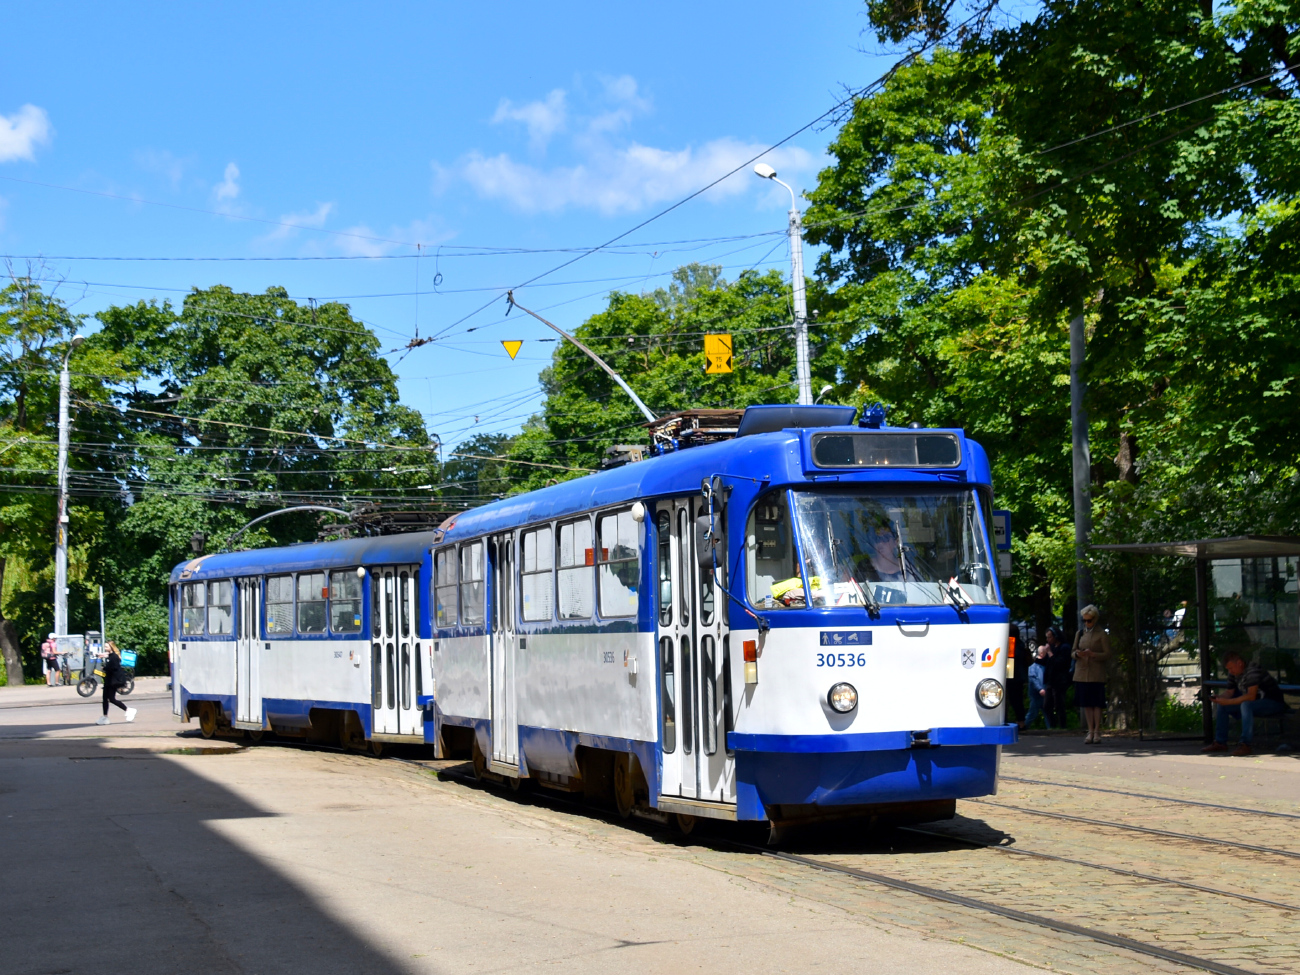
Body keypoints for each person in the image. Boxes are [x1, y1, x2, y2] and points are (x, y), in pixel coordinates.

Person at [1201, 650, 1288, 756]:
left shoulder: (1253, 671)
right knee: (1223, 706)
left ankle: (1245, 744)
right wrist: (1220, 698)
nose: (1230, 671)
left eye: (1231, 668)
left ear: (1240, 663)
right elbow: (1230, 691)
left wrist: (1228, 701)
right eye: (1228, 669)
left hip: (1273, 703)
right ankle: (1220, 742)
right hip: (1255, 704)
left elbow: (1251, 696)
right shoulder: (1233, 673)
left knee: (1246, 704)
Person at [1072, 604, 1111, 744]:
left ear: (1095, 619)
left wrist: (1094, 654)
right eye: (1084, 621)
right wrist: (1078, 654)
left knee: (1097, 704)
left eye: (1089, 620)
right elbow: (1073, 651)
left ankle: (1097, 731)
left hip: (1096, 673)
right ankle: (1090, 731)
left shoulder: (1102, 634)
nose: (1087, 623)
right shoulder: (1080, 633)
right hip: (1082, 673)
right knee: (1087, 704)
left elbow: (1107, 653)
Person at [95, 643, 136, 726]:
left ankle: (128, 710)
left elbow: (113, 667)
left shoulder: (114, 657)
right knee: (104, 699)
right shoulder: (110, 655)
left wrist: (104, 668)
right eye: (105, 646)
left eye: (107, 646)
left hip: (113, 681)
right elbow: (106, 656)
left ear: (111, 647)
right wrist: (100, 656)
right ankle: (105, 717)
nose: (105, 647)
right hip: (108, 680)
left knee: (112, 699)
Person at [1041, 626, 1072, 729]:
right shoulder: (1052, 648)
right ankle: (1053, 725)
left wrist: (1050, 653)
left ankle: (1063, 726)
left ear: (1056, 636)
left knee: (1059, 704)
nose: (1048, 640)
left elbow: (1061, 663)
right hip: (1051, 680)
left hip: (1060, 680)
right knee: (1047, 705)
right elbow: (1048, 663)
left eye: (1050, 637)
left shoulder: (1064, 648)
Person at [1025, 644, 1052, 729]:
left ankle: (1050, 728)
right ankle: (1024, 727)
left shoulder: (1046, 665)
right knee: (1033, 713)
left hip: (1044, 693)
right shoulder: (1033, 667)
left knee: (1047, 713)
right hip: (1036, 695)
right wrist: (1040, 689)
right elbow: (1033, 680)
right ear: (1041, 653)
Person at [1006, 623, 1027, 728]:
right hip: (1017, 676)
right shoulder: (1020, 644)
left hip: (1014, 676)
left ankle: (1021, 721)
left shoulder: (1012, 644)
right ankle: (1020, 721)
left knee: (1015, 700)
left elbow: (1011, 659)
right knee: (1017, 701)